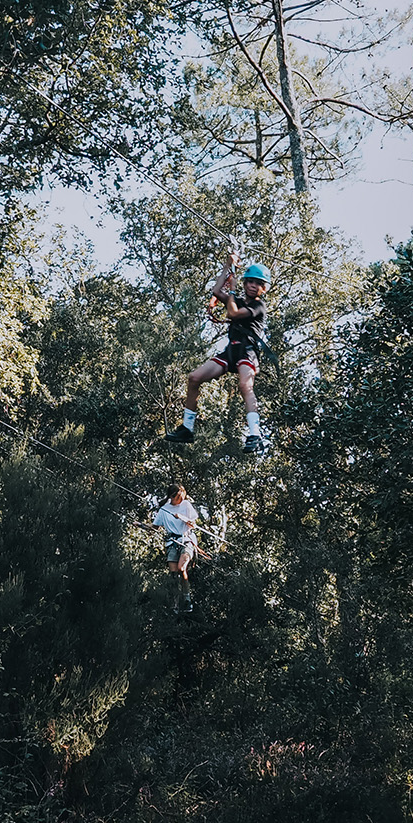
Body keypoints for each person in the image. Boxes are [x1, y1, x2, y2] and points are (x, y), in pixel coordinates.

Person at [169, 253, 270, 453]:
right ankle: (187, 428)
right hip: (231, 351)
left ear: (263, 288)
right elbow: (216, 290)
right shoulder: (238, 299)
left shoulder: (258, 306)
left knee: (245, 385)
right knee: (194, 377)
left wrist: (231, 290)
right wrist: (227, 267)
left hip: (247, 352)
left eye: (257, 283)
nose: (252, 286)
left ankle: (255, 434)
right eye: (249, 281)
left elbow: (232, 313)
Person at [153, 486, 202, 610]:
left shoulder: (186, 505)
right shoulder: (164, 510)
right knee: (173, 575)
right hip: (172, 543)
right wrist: (140, 525)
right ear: (171, 497)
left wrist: (182, 517)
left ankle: (187, 599)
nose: (181, 499)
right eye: (178, 497)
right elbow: (154, 527)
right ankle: (174, 604)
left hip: (186, 540)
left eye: (182, 497)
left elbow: (193, 524)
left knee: (181, 568)